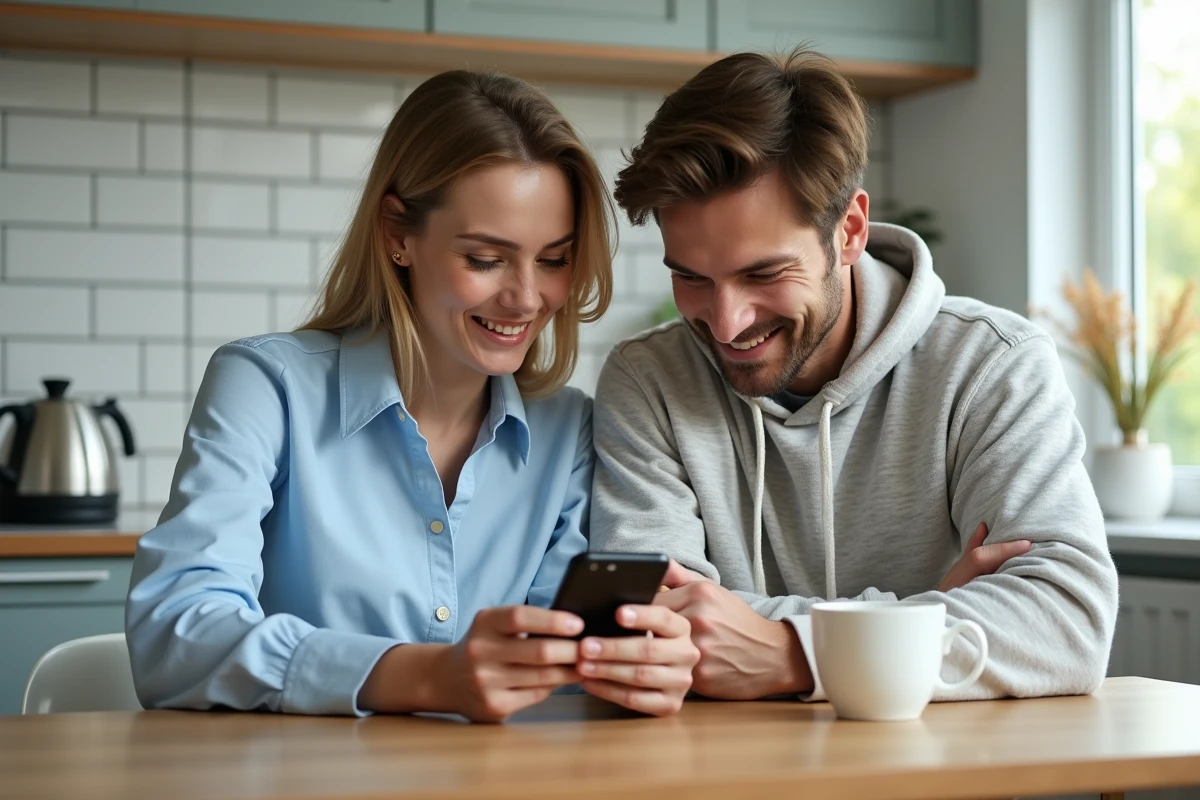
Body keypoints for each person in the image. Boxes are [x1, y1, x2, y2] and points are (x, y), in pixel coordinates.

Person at [126, 70, 698, 721]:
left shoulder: (569, 432)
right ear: (398, 234)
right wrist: (425, 676)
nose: (525, 298)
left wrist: (635, 666)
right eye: (485, 259)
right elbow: (173, 635)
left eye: (553, 260)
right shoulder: (266, 387)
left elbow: (560, 688)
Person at [589, 48, 1118, 702]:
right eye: (692, 278)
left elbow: (1068, 622)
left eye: (763, 273)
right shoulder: (649, 382)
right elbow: (652, 630)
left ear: (850, 230)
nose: (726, 323)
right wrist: (917, 621)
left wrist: (796, 652)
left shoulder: (992, 364)